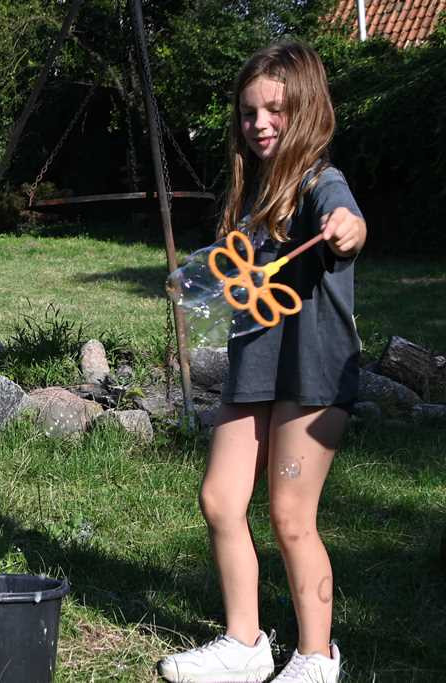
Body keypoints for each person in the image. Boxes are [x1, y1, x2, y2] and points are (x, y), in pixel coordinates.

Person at [157, 42, 366, 683]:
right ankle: (245, 646)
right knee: (221, 500)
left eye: (274, 110)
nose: (260, 124)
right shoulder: (256, 193)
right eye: (249, 113)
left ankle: (315, 657)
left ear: (304, 110)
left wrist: (346, 227)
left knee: (289, 515)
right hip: (256, 364)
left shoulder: (318, 183)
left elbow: (350, 221)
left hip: (312, 371)